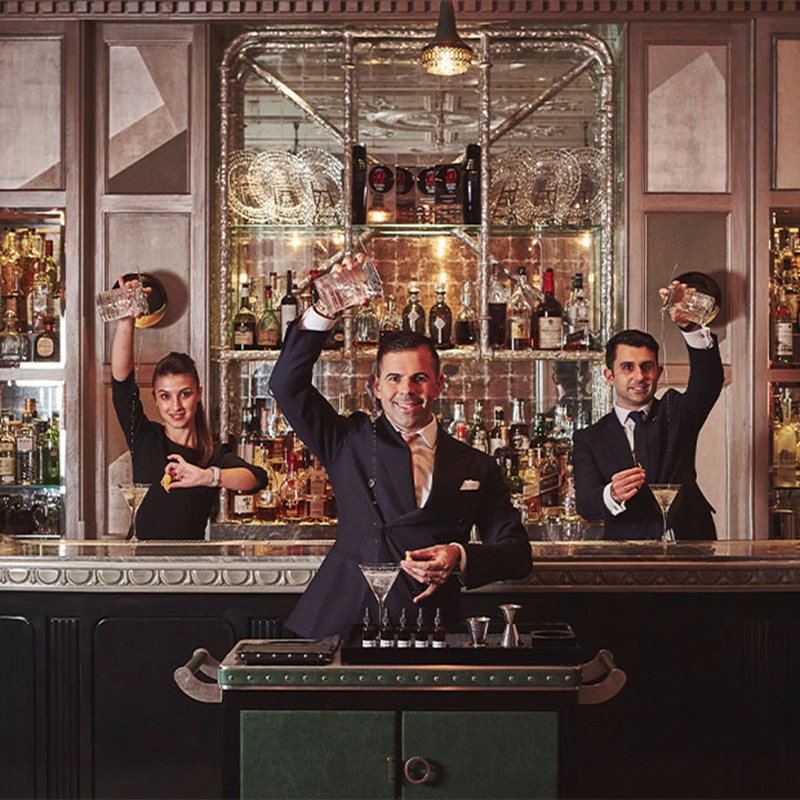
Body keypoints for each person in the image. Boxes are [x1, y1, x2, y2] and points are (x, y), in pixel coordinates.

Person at [269, 256, 533, 639]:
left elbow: (517, 553)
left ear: (439, 384)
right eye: (394, 378)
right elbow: (286, 385)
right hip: (345, 620)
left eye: (419, 378)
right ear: (376, 386)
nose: (406, 390)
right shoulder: (347, 440)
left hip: (430, 625)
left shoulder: (476, 465)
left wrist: (459, 556)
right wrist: (326, 308)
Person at [111, 278, 267, 540]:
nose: (176, 406)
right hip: (140, 566)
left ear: (198, 394)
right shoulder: (146, 438)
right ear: (156, 400)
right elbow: (121, 383)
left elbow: (256, 478)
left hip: (190, 567)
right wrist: (127, 320)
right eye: (166, 396)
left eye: (184, 394)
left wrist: (206, 477)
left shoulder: (211, 454)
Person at [572, 281, 724, 541]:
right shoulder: (590, 438)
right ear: (609, 376)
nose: (640, 376)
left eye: (647, 366)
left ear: (659, 371)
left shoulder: (677, 412)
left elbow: (708, 381)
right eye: (628, 367)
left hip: (693, 546)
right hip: (628, 556)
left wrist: (689, 326)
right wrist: (612, 493)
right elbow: (587, 504)